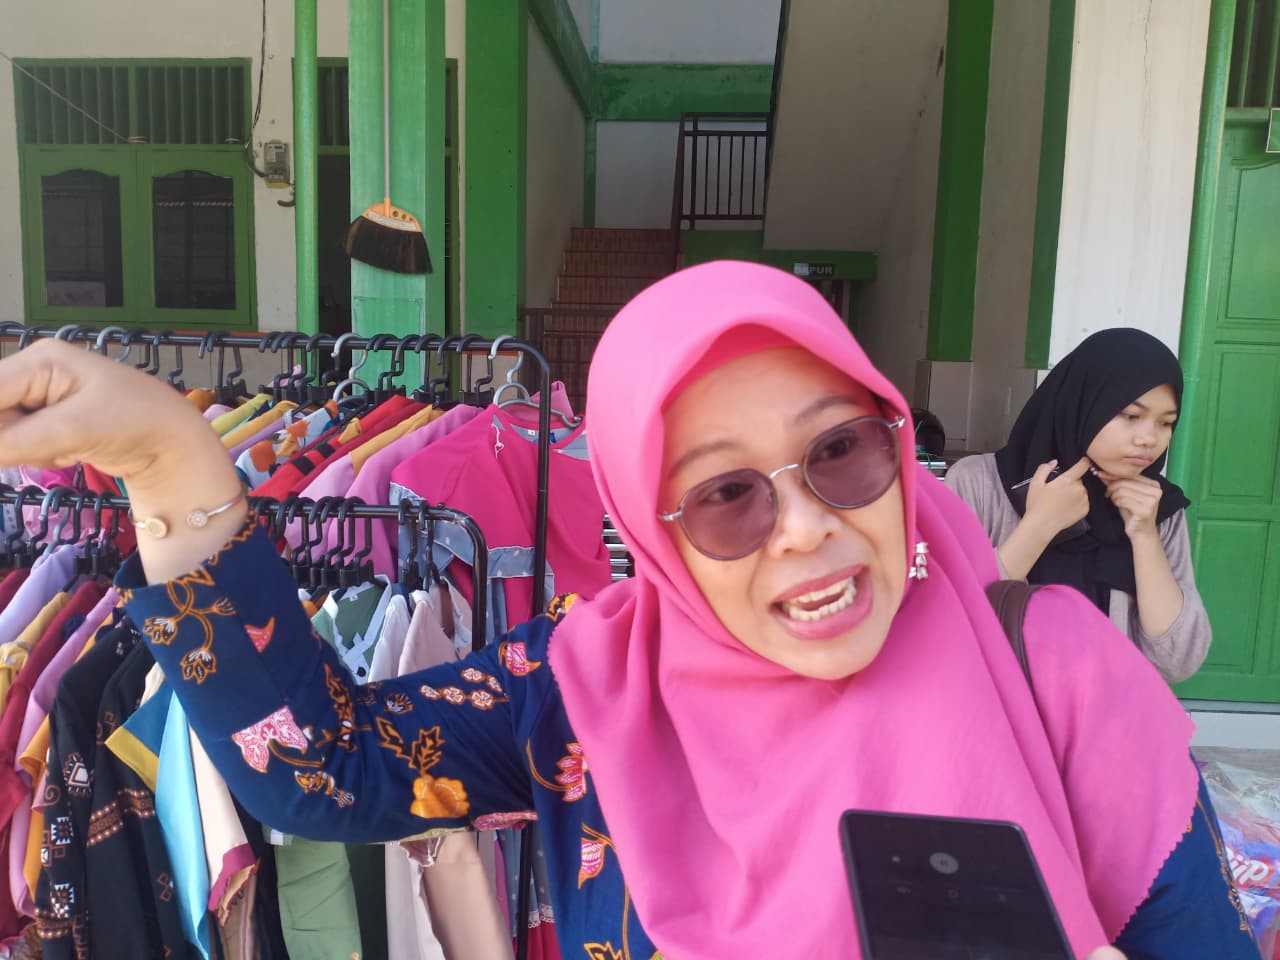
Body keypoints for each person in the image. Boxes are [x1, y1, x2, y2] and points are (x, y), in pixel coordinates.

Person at [0, 264, 1256, 959]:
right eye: (723, 496)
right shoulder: (584, 691)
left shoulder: (1054, 672)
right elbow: (314, 770)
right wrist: (168, 456)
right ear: (652, 530)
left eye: (841, 452)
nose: (805, 527)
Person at [945, 329, 1210, 685]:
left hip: (1108, 716)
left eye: (1166, 423)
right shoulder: (978, 484)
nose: (1149, 438)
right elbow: (948, 627)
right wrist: (1040, 526)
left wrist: (1145, 537)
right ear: (1082, 404)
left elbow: (1179, 661)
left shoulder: (1157, 507)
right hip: (998, 713)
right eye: (1130, 415)